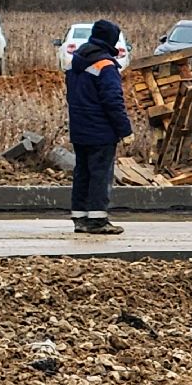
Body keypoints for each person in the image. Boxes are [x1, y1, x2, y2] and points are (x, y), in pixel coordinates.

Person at [66, 18, 133, 235]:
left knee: (83, 173)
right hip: (101, 130)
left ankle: (80, 217)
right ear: (110, 40)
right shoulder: (105, 65)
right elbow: (113, 101)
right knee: (100, 174)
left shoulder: (76, 60)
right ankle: (97, 220)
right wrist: (125, 130)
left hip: (79, 128)